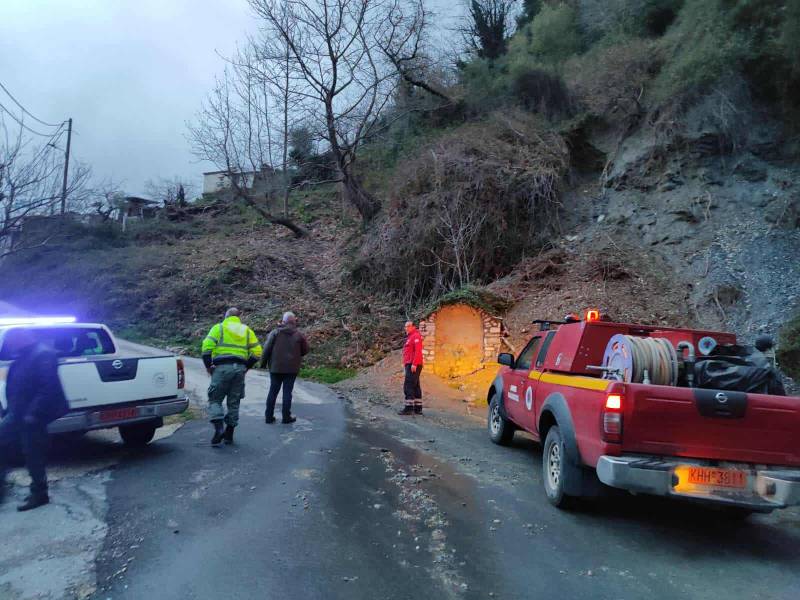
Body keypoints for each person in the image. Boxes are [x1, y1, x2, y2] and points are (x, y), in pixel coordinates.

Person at [0, 327, 69, 511]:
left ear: (22, 337)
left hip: (31, 416)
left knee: (33, 454)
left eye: (11, 340)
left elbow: (48, 388)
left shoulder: (43, 354)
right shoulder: (25, 354)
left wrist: (33, 414)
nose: (9, 344)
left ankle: (39, 493)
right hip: (17, 413)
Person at [201, 308, 262, 446]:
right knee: (234, 402)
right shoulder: (246, 330)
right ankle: (229, 435)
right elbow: (257, 351)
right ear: (239, 317)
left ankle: (219, 428)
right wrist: (247, 366)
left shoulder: (219, 328)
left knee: (215, 399)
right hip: (239, 370)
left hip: (221, 368)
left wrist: (208, 366)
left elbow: (206, 348)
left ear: (226, 316)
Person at [260, 312, 309, 424]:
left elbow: (266, 349)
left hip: (276, 368)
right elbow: (305, 350)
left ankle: (268, 417)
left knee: (273, 391)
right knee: (287, 392)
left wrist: (262, 363)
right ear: (294, 321)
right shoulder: (299, 335)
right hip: (291, 369)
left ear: (283, 321)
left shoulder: (275, 333)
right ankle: (286, 417)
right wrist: (296, 354)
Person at [399, 321, 424, 416]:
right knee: (416, 385)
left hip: (413, 365)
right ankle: (418, 408)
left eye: (408, 326)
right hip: (410, 364)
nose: (406, 328)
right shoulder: (410, 337)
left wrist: (414, 364)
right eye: (405, 326)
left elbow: (418, 351)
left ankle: (409, 408)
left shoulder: (416, 336)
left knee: (408, 385)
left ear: (413, 327)